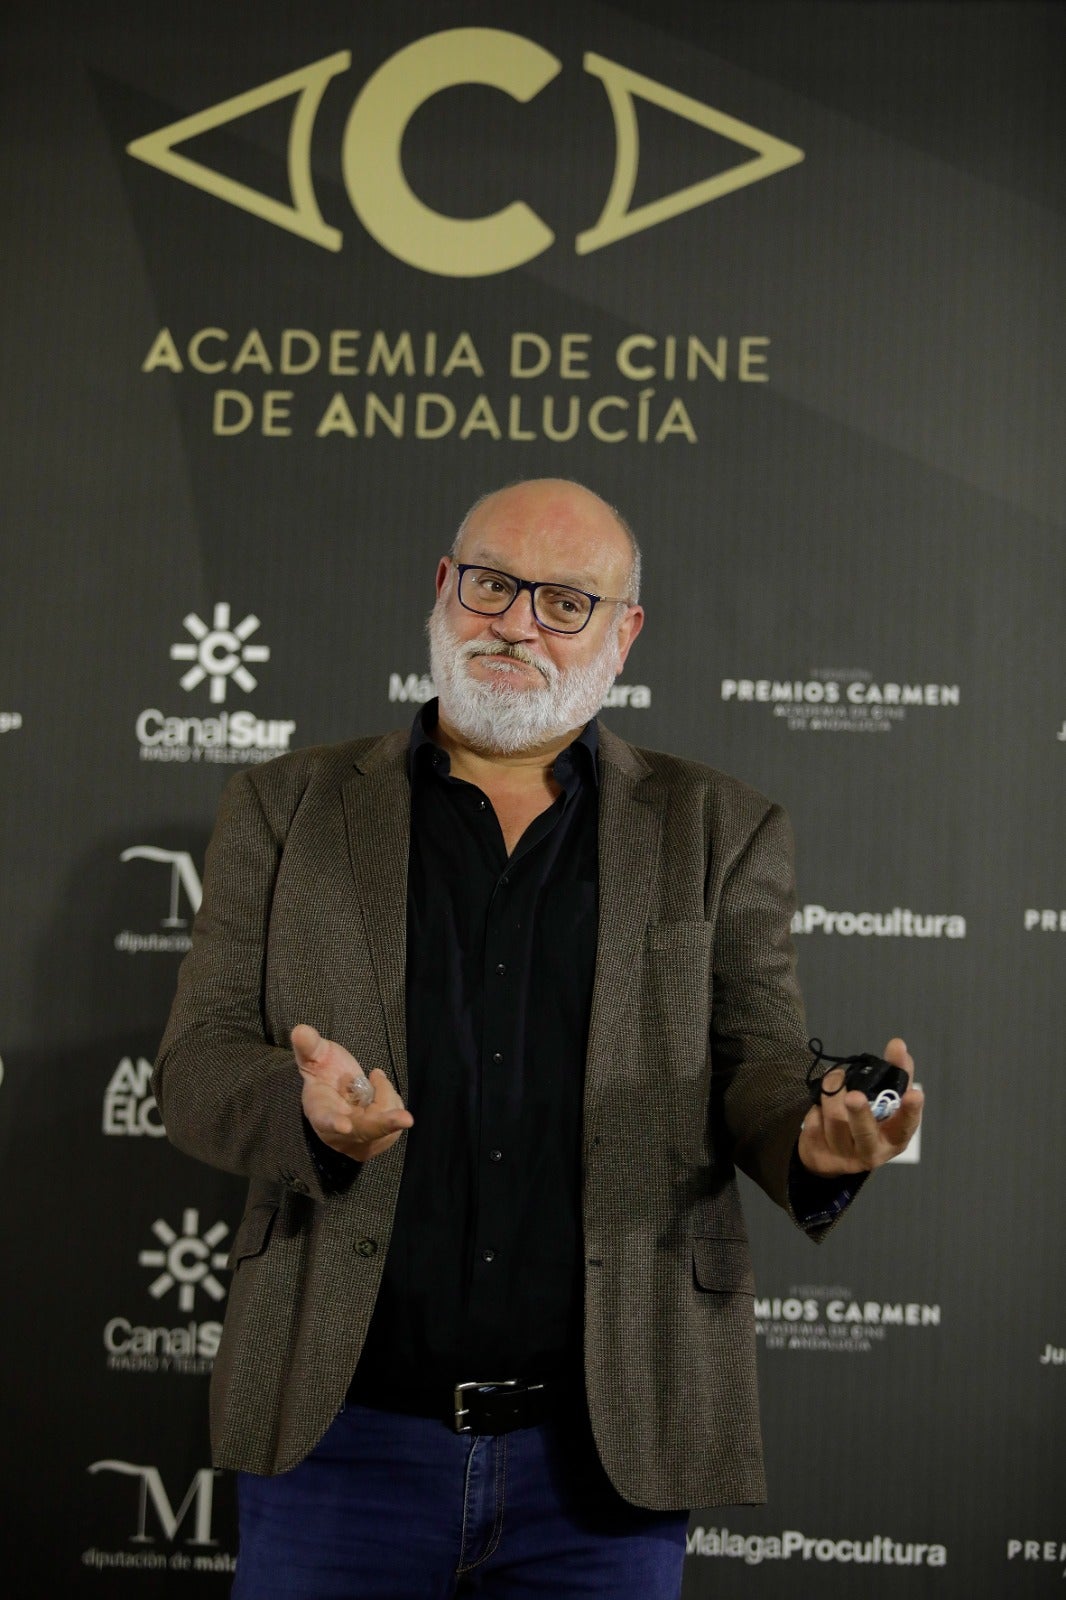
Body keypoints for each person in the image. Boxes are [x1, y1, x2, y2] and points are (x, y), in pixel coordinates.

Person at [154, 478, 923, 1599]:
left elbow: (758, 1064)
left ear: (624, 633)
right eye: (493, 585)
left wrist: (815, 1147)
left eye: (566, 602)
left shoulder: (720, 825)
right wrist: (303, 1108)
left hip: (604, 1463)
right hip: (341, 1441)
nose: (516, 622)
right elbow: (197, 1065)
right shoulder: (286, 805)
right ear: (443, 589)